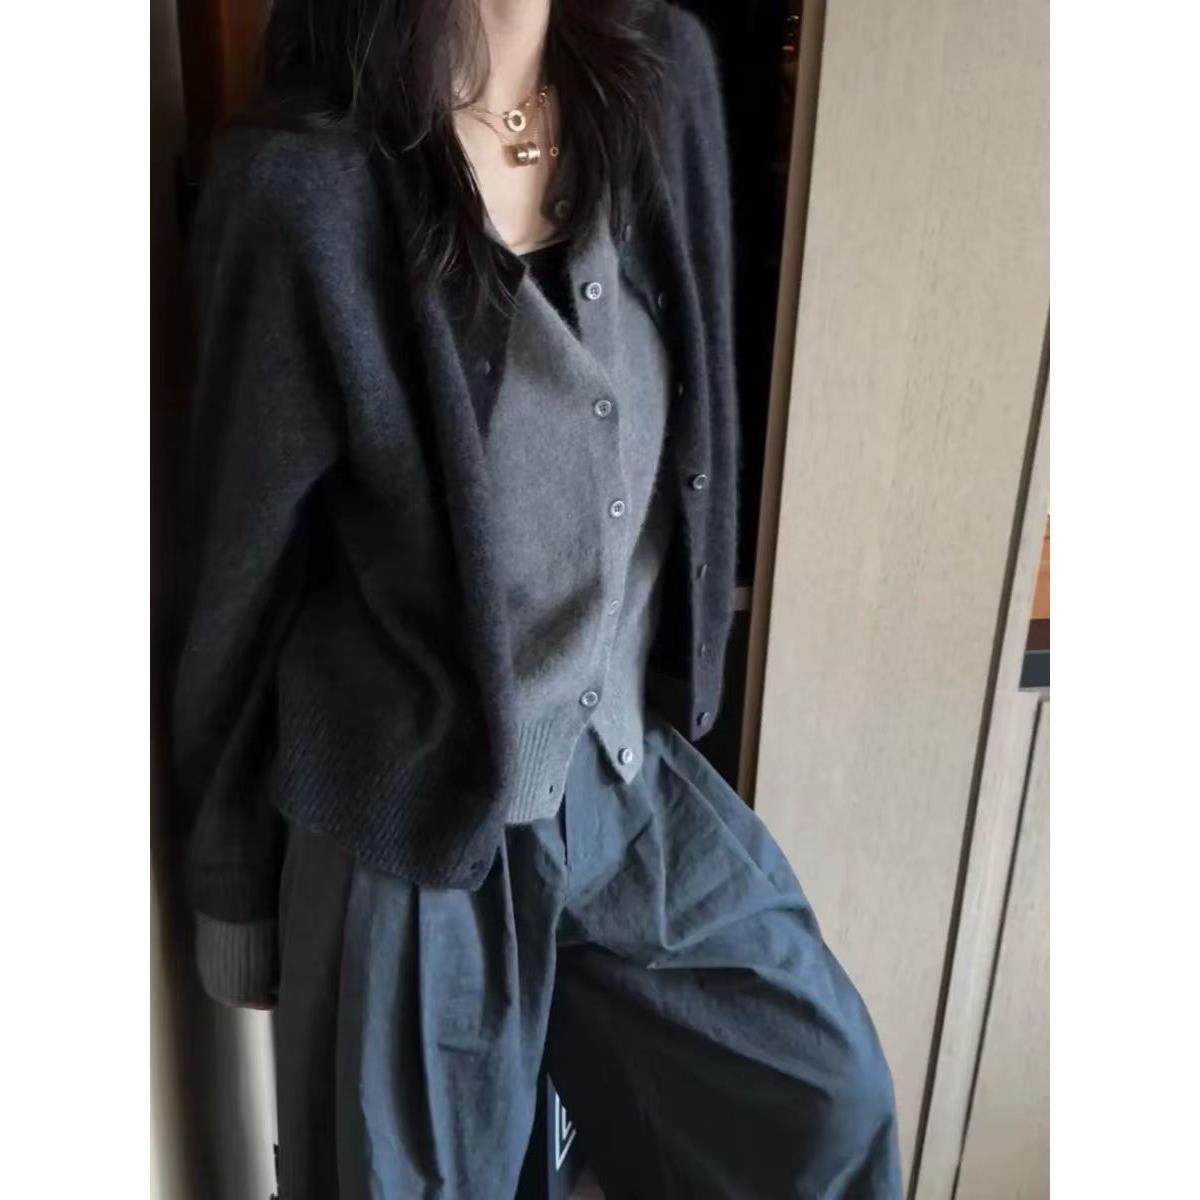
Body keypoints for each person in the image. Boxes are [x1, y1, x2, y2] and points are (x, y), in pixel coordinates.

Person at [172, 0, 902, 1194]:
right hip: (406, 830)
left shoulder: (660, 87)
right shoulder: (304, 189)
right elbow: (241, 569)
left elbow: (700, 407)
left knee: (820, 1104)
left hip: (619, 773)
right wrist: (230, 881)